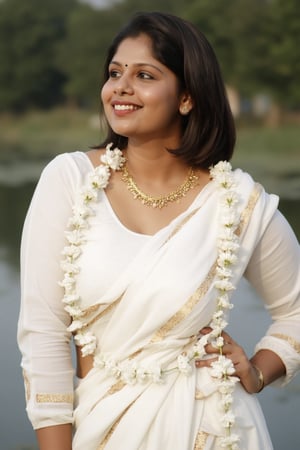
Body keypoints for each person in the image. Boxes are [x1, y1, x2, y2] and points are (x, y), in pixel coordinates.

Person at [17, 11, 300, 450]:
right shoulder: (70, 181)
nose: (121, 87)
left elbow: (296, 311)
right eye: (114, 73)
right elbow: (44, 334)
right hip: (102, 428)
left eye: (144, 74)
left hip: (211, 430)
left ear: (187, 98)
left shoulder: (235, 203)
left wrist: (260, 370)